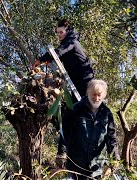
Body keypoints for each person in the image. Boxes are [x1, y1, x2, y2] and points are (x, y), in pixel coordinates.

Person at [32, 19, 95, 165]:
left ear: (67, 31)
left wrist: (40, 60)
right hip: (75, 83)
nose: (59, 35)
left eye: (61, 32)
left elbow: (59, 52)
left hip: (85, 81)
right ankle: (63, 150)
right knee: (70, 113)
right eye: (57, 33)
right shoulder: (66, 43)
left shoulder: (72, 42)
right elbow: (59, 56)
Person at [63, 79, 120, 179]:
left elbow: (111, 137)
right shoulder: (76, 110)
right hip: (77, 162)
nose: (97, 98)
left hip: (98, 163)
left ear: (104, 95)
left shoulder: (106, 113)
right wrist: (61, 153)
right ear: (88, 93)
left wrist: (115, 158)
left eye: (99, 95)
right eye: (94, 94)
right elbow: (65, 132)